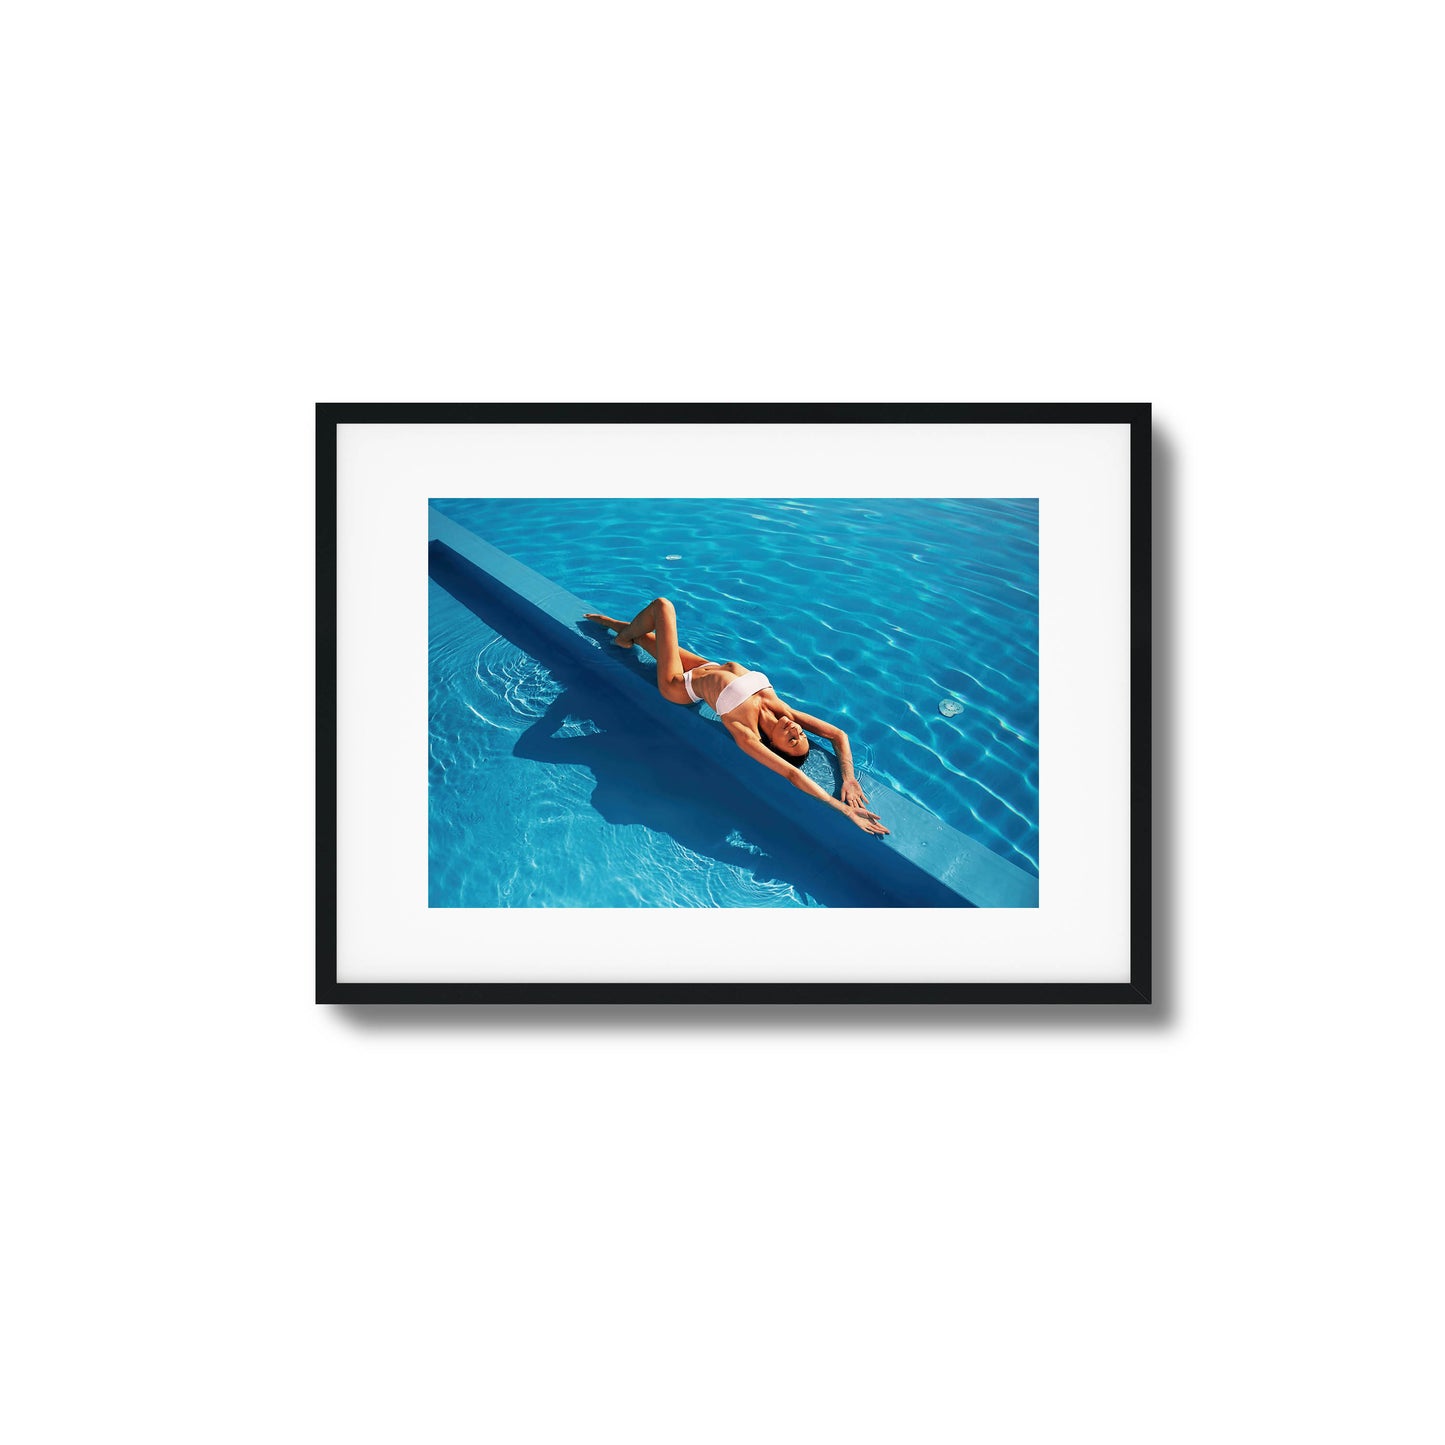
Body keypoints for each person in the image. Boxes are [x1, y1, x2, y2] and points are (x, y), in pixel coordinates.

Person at [584, 597, 889, 835]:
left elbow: (793, 774)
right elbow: (838, 735)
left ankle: (620, 634)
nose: (797, 730)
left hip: (680, 685)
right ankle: (619, 632)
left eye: (791, 740)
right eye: (801, 736)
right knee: (641, 635)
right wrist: (848, 779)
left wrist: (843, 810)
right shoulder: (781, 709)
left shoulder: (746, 733)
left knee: (663, 607)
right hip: (706, 665)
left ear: (774, 744)